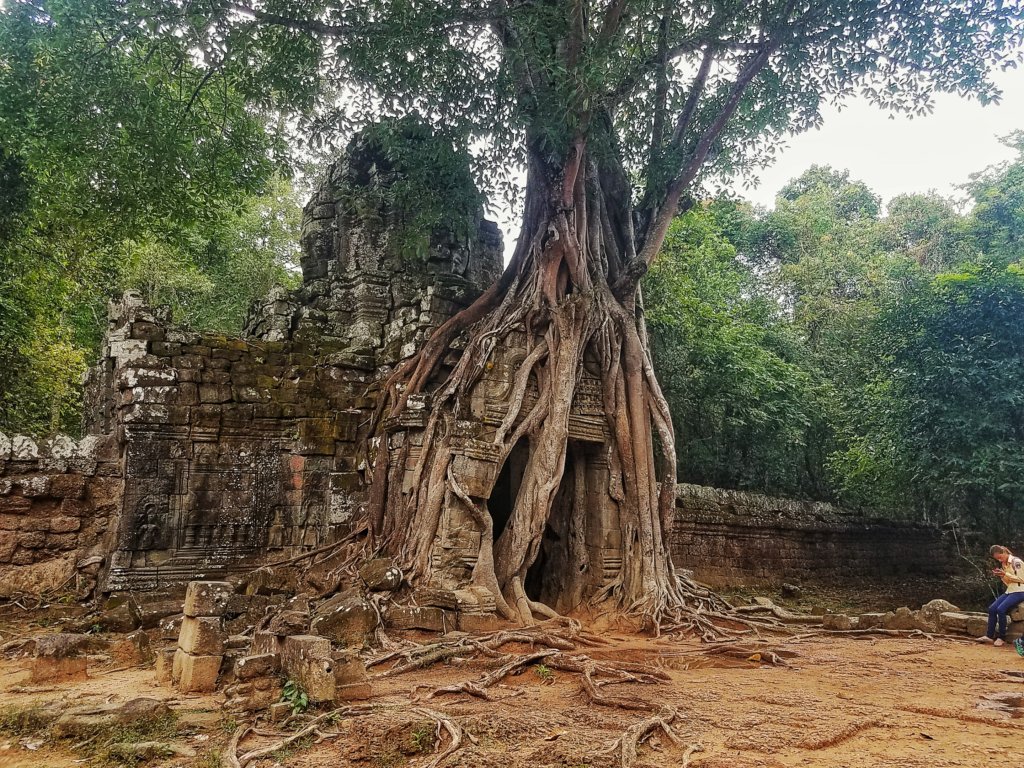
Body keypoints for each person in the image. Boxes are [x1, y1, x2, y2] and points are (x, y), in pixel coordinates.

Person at [976, 544, 1024, 647]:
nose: (999, 560)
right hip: (1010, 590)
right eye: (997, 558)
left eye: (1000, 557)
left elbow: (1022, 579)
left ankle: (1001, 637)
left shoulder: (1016, 562)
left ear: (1004, 553)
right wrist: (1002, 576)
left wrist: (1006, 574)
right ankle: (989, 636)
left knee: (1001, 609)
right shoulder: (1004, 564)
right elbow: (1009, 582)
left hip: (1020, 591)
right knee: (992, 608)